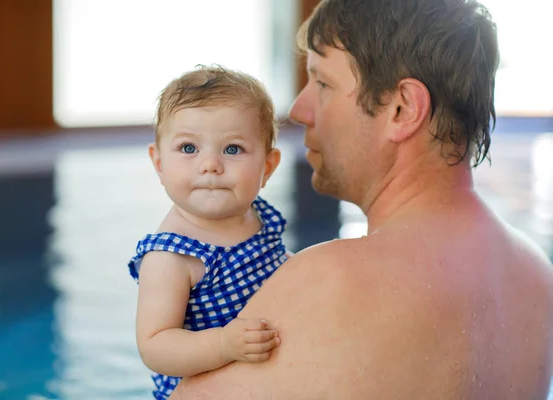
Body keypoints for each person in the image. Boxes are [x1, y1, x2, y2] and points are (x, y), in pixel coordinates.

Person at [169, 0, 553, 398]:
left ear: (402, 109)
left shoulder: (330, 283)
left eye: (322, 83)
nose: (299, 110)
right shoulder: (535, 277)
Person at [127, 65, 289, 399]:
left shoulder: (260, 218)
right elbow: (155, 346)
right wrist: (223, 344)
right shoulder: (172, 256)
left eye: (232, 149)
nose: (210, 164)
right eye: (189, 148)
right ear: (159, 163)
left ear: (268, 167)